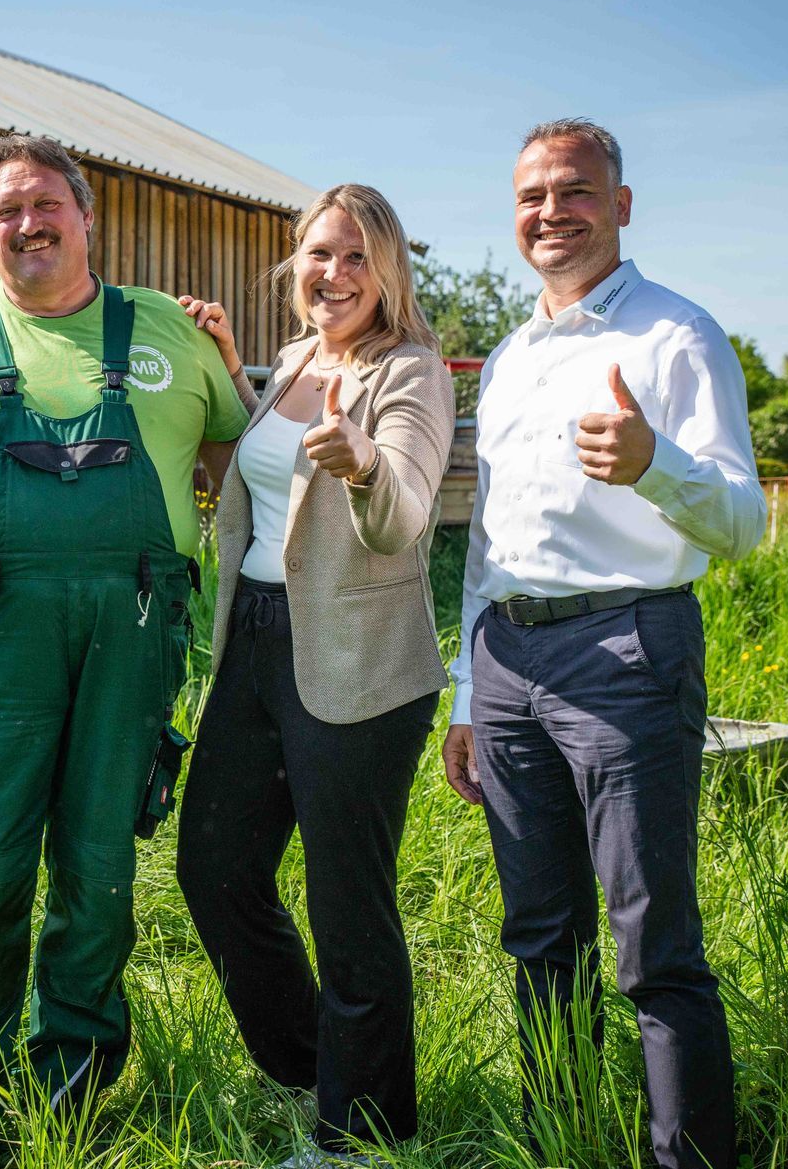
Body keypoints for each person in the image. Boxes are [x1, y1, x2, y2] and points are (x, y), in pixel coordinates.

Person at [0, 134, 248, 1162]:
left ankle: (65, 1095)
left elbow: (237, 456)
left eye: (45, 206)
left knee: (96, 872)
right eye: (6, 211)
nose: (27, 225)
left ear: (87, 217)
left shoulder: (165, 329)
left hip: (132, 635)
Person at [441, 119, 765, 1169]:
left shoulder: (675, 336)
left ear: (620, 206)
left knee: (653, 949)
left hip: (626, 650)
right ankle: (560, 1140)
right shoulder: (508, 357)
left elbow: (744, 523)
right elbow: (488, 540)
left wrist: (653, 463)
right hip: (508, 661)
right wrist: (463, 695)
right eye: (533, 194)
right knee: (539, 938)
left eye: (575, 191)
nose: (551, 212)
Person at [174, 184, 455, 1166]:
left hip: (359, 660)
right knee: (212, 867)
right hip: (252, 643)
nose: (331, 274)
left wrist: (365, 462)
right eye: (319, 254)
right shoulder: (294, 361)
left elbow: (406, 509)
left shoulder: (409, 373)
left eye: (354, 258)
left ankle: (360, 1134)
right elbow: (270, 478)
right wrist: (225, 373)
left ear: (387, 274)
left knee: (347, 902)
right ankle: (319, 1063)